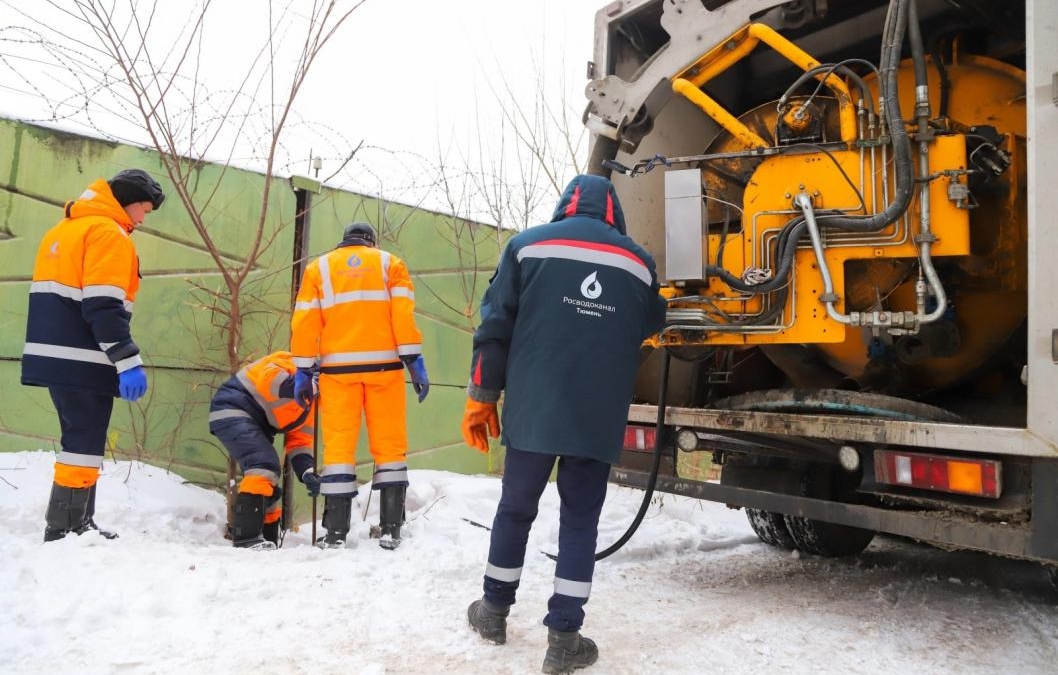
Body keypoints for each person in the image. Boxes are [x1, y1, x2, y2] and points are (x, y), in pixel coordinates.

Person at [462, 174, 666, 674]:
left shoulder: (527, 247)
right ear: (613, 210)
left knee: (515, 510)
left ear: (564, 205)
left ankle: (493, 612)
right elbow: (652, 324)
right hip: (597, 412)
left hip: (535, 406)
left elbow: (495, 326)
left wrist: (482, 396)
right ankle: (563, 640)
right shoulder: (640, 263)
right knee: (580, 521)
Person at [21, 168, 166, 542]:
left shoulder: (64, 230)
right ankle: (66, 527)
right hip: (83, 356)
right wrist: (127, 360)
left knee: (79, 437)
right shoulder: (107, 233)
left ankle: (75, 524)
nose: (143, 217)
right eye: (144, 209)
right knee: (83, 440)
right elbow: (103, 305)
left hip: (54, 352)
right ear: (130, 202)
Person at [290, 221, 429, 550]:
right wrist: (414, 361)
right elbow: (403, 316)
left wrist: (302, 369)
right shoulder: (390, 264)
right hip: (385, 368)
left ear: (344, 242)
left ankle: (335, 532)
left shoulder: (318, 268)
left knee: (338, 449)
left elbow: (305, 321)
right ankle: (392, 529)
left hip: (338, 372)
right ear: (371, 242)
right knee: (390, 447)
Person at [209, 350, 322, 550]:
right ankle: (247, 538)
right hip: (232, 408)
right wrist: (304, 384)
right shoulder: (289, 362)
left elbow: (300, 442)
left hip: (254, 423)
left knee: (268, 477)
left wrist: (307, 473)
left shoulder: (311, 407)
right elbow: (269, 381)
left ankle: (268, 539)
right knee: (263, 466)